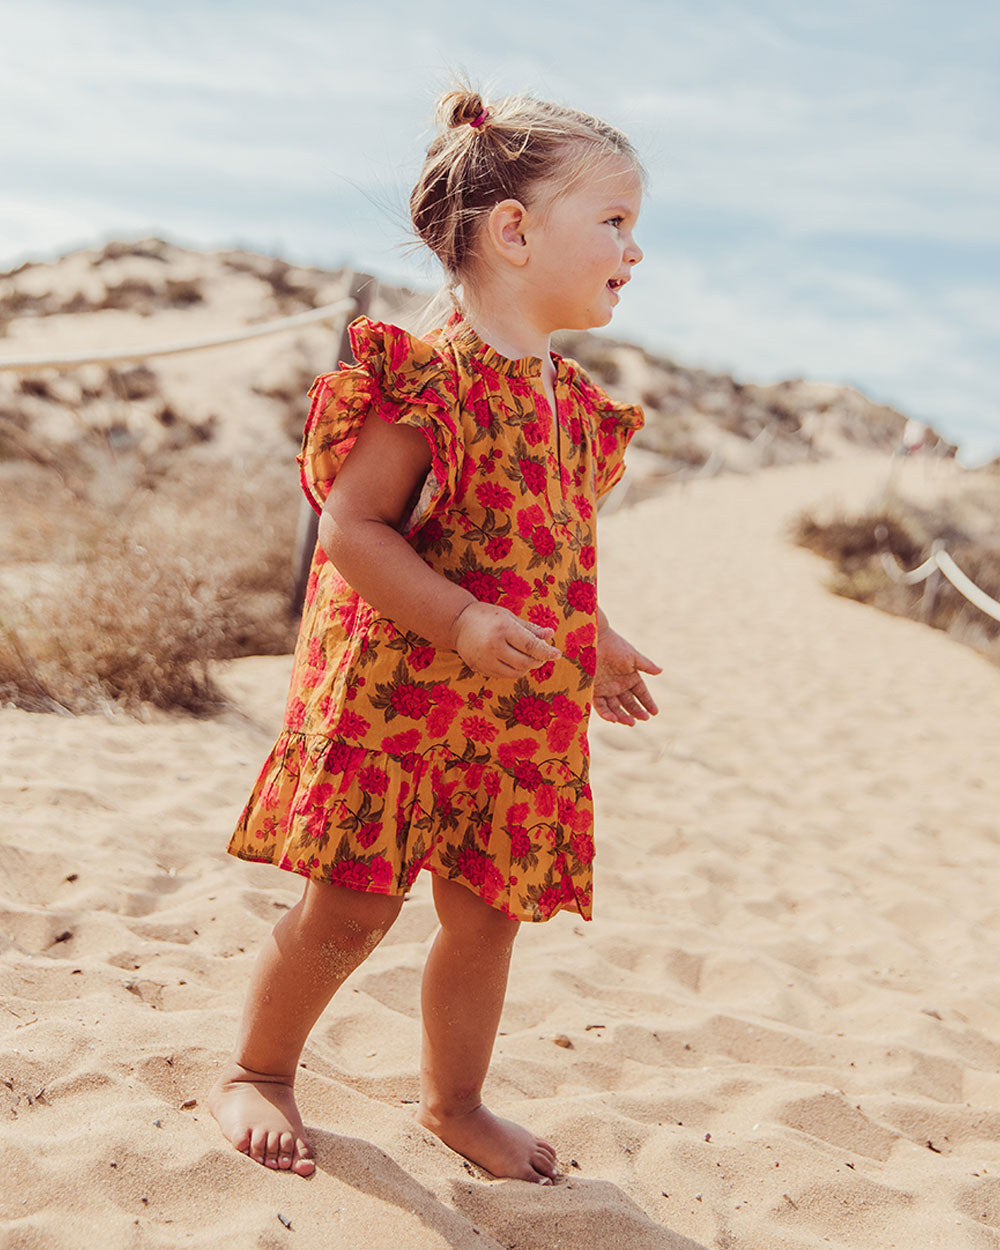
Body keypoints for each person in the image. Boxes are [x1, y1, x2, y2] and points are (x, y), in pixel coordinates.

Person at [209, 86, 662, 1185]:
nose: (634, 249)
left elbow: (549, 546)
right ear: (513, 232)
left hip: (513, 707)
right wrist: (458, 617)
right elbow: (354, 528)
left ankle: (455, 1099)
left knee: (490, 911)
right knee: (353, 904)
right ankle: (260, 1069)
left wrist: (590, 636)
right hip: (398, 692)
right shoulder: (432, 376)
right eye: (611, 221)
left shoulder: (570, 403)